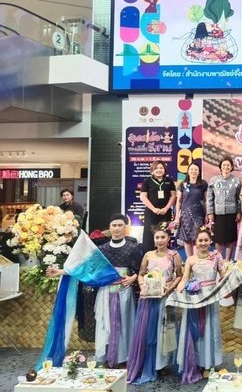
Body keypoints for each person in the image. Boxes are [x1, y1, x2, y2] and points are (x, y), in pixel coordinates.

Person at [47, 213, 142, 368]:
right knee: (105, 325)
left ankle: (125, 358)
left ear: (126, 228)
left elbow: (141, 269)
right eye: (114, 225)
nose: (117, 228)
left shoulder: (133, 248)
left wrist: (133, 278)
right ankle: (107, 357)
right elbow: (85, 269)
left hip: (124, 292)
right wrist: (60, 272)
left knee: (125, 324)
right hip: (105, 292)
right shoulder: (102, 249)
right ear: (109, 228)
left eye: (120, 225)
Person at [127, 226, 183, 384]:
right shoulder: (148, 255)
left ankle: (162, 364)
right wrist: (142, 285)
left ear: (168, 239)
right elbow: (141, 274)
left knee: (163, 330)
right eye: (157, 237)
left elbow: (179, 275)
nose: (160, 240)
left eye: (163, 237)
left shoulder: (174, 255)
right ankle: (149, 363)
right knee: (149, 332)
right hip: (149, 298)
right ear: (154, 239)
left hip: (165, 298)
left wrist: (169, 289)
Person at [175, 228, 226, 384]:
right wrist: (178, 292)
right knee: (194, 330)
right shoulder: (190, 259)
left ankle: (208, 364)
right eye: (200, 240)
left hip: (210, 298)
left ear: (210, 241)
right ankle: (195, 362)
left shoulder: (216, 256)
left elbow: (223, 276)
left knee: (210, 330)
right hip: (194, 298)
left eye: (205, 240)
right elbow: (185, 278)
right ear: (195, 243)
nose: (203, 243)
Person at [207, 157, 241, 261]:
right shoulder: (213, 180)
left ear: (231, 167)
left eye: (228, 165)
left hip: (232, 213)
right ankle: (219, 260)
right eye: (224, 165)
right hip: (218, 214)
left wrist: (239, 212)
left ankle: (227, 260)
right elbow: (209, 197)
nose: (226, 167)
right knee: (218, 239)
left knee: (230, 239)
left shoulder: (236, 181)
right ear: (220, 167)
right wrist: (210, 212)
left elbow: (239, 198)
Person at [140, 161, 177, 254]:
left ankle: (165, 256)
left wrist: (166, 208)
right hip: (151, 213)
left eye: (161, 168)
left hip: (165, 213)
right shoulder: (147, 181)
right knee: (149, 236)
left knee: (165, 234)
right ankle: (148, 257)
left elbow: (173, 196)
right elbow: (143, 197)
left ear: (164, 170)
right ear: (152, 170)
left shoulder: (169, 181)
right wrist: (153, 209)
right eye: (156, 168)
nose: (159, 170)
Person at [174, 162, 208, 258]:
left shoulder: (203, 184)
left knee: (198, 237)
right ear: (188, 171)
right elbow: (179, 201)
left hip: (199, 214)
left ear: (199, 172)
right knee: (187, 238)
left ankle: (197, 259)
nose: (194, 171)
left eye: (196, 169)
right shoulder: (182, 184)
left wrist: (207, 214)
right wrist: (177, 217)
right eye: (191, 169)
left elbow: (206, 200)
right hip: (185, 215)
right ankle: (189, 260)